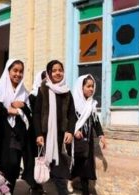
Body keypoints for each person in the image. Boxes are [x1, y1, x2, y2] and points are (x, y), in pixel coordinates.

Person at [33, 60, 77, 195]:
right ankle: (42, 189)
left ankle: (59, 191)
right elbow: (37, 113)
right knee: (50, 167)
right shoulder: (43, 90)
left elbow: (71, 113)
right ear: (49, 73)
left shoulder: (67, 91)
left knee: (59, 167)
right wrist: (39, 133)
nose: (58, 73)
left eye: (60, 70)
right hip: (46, 135)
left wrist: (70, 131)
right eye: (54, 70)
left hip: (61, 135)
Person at [0, 59, 31, 194]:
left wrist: (23, 106)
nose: (18, 74)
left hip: (18, 132)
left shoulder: (23, 91)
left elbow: (29, 113)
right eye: (15, 70)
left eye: (21, 71)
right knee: (2, 165)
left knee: (14, 165)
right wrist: (8, 110)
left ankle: (9, 191)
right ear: (8, 71)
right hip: (4, 131)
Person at [70, 74, 107, 195]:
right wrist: (74, 131)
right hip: (74, 140)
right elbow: (67, 120)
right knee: (75, 163)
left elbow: (95, 121)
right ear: (81, 87)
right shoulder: (72, 103)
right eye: (88, 86)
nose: (91, 89)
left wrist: (101, 135)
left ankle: (85, 191)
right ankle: (68, 181)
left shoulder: (91, 104)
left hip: (87, 140)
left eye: (93, 86)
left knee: (86, 166)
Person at [22, 70, 47, 194]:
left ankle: (40, 184)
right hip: (33, 131)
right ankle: (33, 185)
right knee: (33, 158)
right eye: (44, 78)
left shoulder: (49, 94)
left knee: (42, 159)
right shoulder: (33, 95)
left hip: (45, 131)